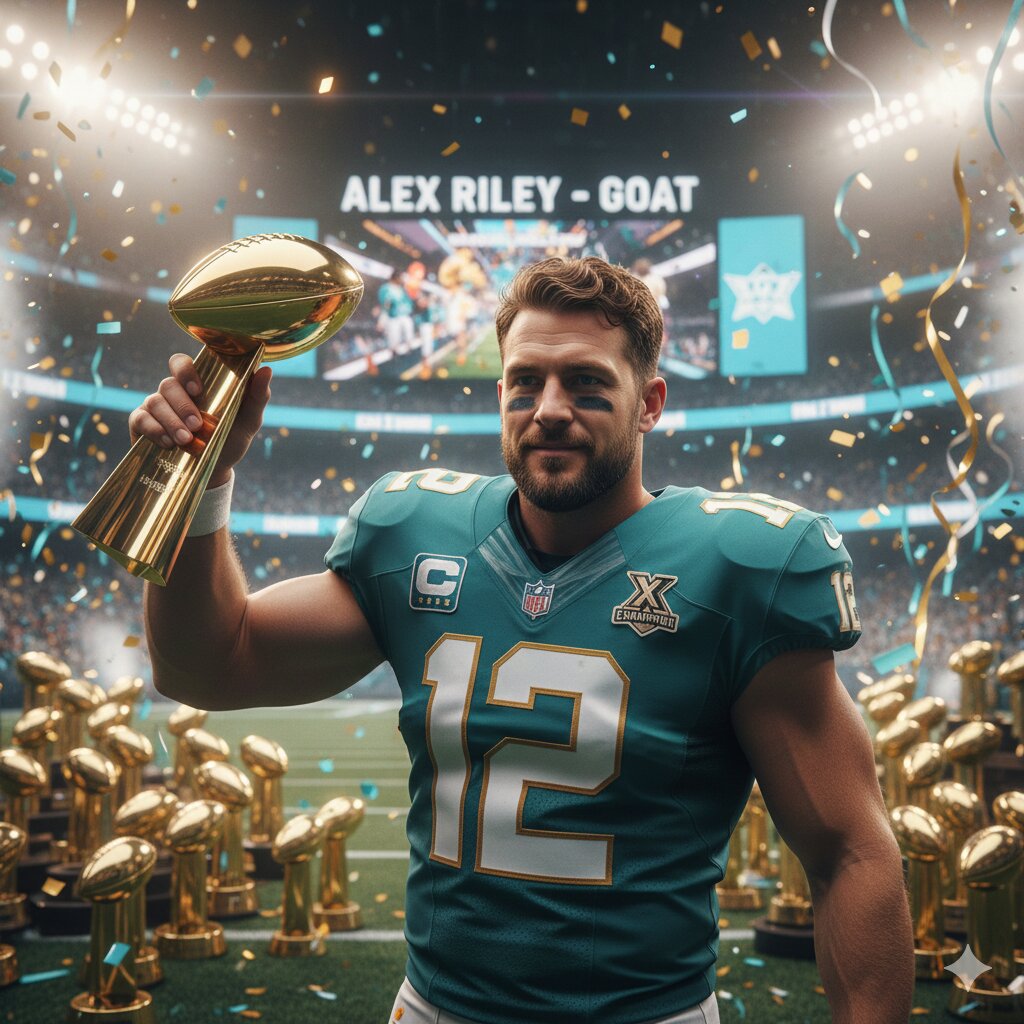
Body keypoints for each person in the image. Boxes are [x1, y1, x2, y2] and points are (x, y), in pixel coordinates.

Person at [131, 256, 914, 1024]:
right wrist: (202, 477)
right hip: (436, 1007)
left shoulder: (741, 566)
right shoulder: (415, 532)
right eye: (525, 382)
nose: (548, 408)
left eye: (586, 383)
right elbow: (208, 665)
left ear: (650, 403)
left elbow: (849, 852)